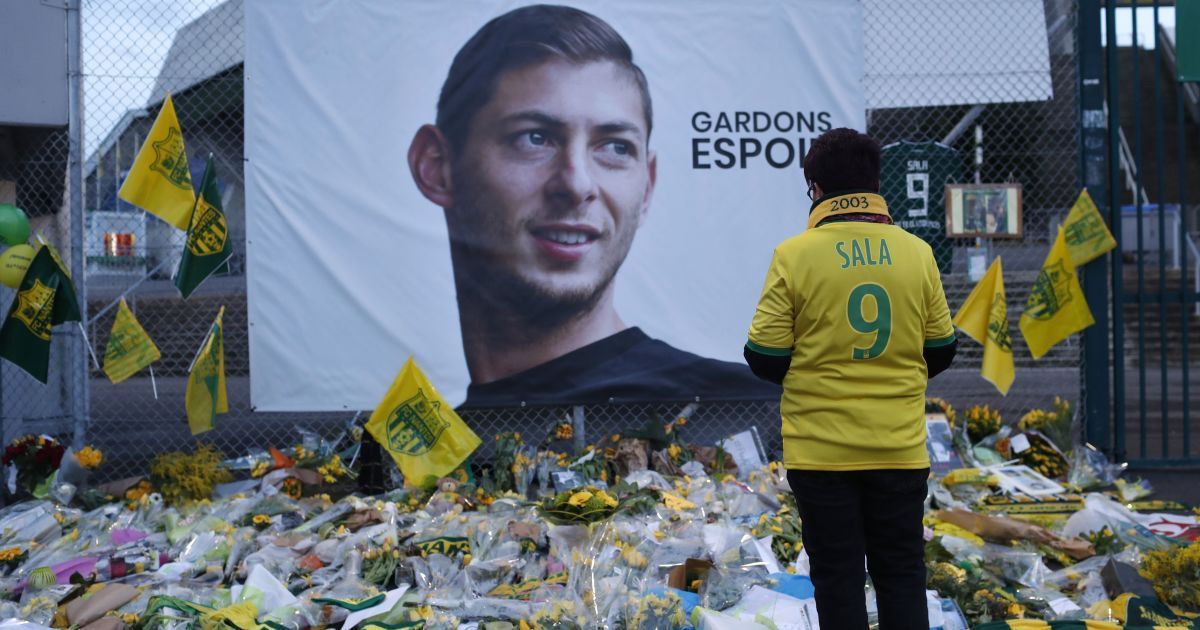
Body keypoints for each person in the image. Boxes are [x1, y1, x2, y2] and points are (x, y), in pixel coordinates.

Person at [407, 4, 777, 408]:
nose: (577, 184)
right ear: (436, 167)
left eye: (615, 147)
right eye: (534, 138)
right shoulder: (408, 441)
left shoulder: (749, 414)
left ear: (647, 187)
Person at [744, 128, 957, 628]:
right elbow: (942, 349)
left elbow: (764, 355)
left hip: (821, 451)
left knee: (837, 578)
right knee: (902, 573)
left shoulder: (795, 254)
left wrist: (818, 369)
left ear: (815, 187)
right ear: (876, 183)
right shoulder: (916, 252)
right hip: (898, 447)